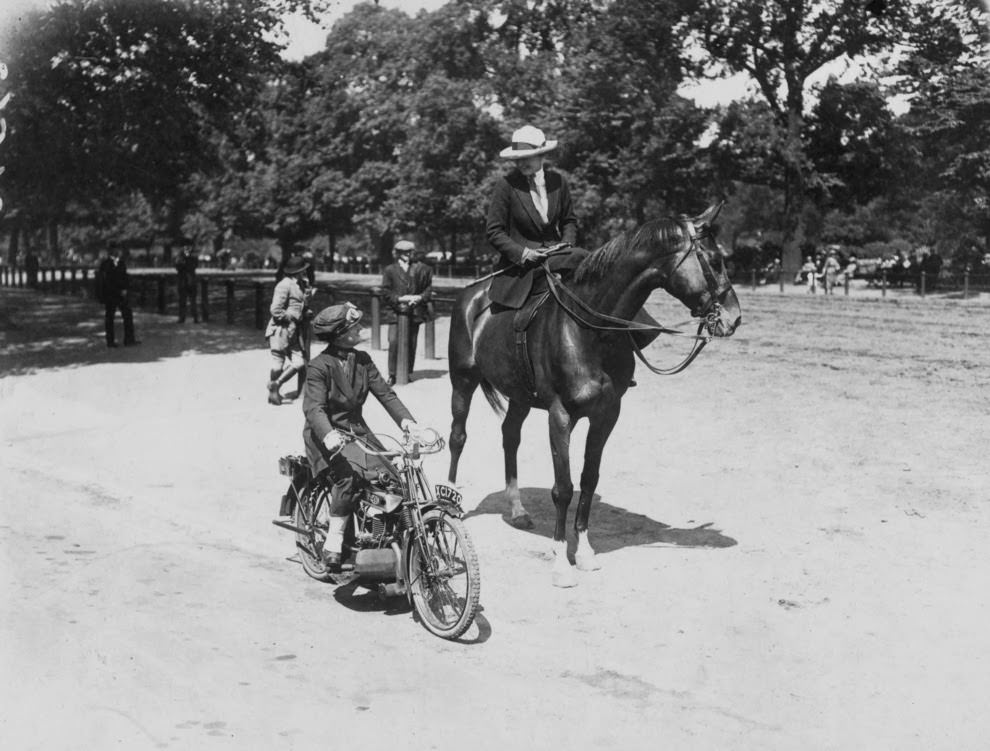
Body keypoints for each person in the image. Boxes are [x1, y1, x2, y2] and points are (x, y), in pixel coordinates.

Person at [302, 302, 422, 567]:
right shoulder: (319, 366)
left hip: (357, 432)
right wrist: (329, 434)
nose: (361, 330)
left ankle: (385, 538)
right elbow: (314, 408)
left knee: (392, 478)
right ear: (341, 333)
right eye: (355, 326)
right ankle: (333, 541)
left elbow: (386, 394)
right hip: (326, 435)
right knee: (348, 477)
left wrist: (407, 422)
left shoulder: (363, 360)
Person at [485, 125, 585, 310]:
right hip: (523, 265)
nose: (521, 163)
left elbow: (569, 221)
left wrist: (566, 244)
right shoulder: (506, 185)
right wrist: (523, 254)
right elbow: (494, 231)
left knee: (589, 266)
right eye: (517, 159)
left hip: (558, 254)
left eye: (526, 158)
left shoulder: (558, 181)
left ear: (541, 156)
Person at [381, 239, 434, 385]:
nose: (409, 255)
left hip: (414, 312)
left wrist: (419, 298)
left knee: (411, 343)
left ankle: (406, 372)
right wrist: (399, 299)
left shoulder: (420, 269)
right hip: (395, 312)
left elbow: (428, 288)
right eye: (405, 252)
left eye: (410, 252)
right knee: (393, 342)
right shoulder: (390, 270)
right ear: (398, 254)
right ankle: (392, 373)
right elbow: (385, 291)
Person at [265, 256, 314, 405]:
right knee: (279, 363)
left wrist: (307, 300)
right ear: (299, 271)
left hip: (292, 331)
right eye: (303, 270)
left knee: (298, 362)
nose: (305, 272)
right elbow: (275, 310)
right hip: (280, 330)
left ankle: (275, 386)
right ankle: (275, 390)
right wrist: (292, 317)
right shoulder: (284, 285)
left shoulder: (300, 284)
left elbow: (299, 304)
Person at [96, 243, 138, 348]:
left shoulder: (121, 263)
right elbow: (104, 281)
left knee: (127, 314)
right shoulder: (105, 264)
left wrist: (125, 288)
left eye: (117, 250)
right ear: (110, 251)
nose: (116, 252)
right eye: (114, 250)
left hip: (121, 294)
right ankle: (110, 341)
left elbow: (124, 277)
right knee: (110, 317)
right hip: (111, 294)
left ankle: (129, 339)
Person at [174, 240, 199, 323]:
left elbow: (194, 265)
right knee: (182, 301)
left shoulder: (193, 256)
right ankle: (182, 318)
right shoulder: (180, 256)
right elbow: (178, 266)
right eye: (186, 247)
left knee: (192, 301)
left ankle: (195, 317)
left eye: (188, 247)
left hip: (190, 281)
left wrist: (187, 258)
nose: (187, 248)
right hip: (184, 281)